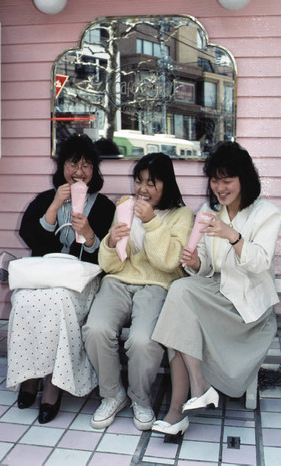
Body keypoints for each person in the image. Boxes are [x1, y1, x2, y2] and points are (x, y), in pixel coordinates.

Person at [151, 141, 281, 438]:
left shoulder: (268, 214)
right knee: (180, 306)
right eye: (215, 180)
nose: (220, 188)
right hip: (216, 294)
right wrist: (196, 262)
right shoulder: (209, 210)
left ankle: (190, 398)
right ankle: (181, 408)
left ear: (243, 180)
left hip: (245, 308)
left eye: (227, 181)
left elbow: (260, 263)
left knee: (180, 297)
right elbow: (210, 268)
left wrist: (233, 236)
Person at [6, 133, 115, 424]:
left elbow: (108, 256)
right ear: (62, 166)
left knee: (59, 302)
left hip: (79, 283)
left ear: (95, 170)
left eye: (87, 165)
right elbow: (32, 238)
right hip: (44, 276)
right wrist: (54, 206)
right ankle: (29, 377)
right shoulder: (45, 199)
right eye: (73, 164)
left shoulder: (105, 207)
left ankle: (53, 385)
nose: (79, 172)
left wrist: (90, 234)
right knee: (25, 300)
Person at [82, 152, 194, 431]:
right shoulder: (125, 207)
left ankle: (140, 399)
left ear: (166, 184)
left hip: (157, 285)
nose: (143, 189)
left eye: (152, 183)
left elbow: (168, 263)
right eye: (139, 181)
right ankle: (112, 395)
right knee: (95, 328)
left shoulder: (182, 215)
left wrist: (151, 221)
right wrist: (110, 242)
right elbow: (108, 264)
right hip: (118, 281)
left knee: (143, 340)